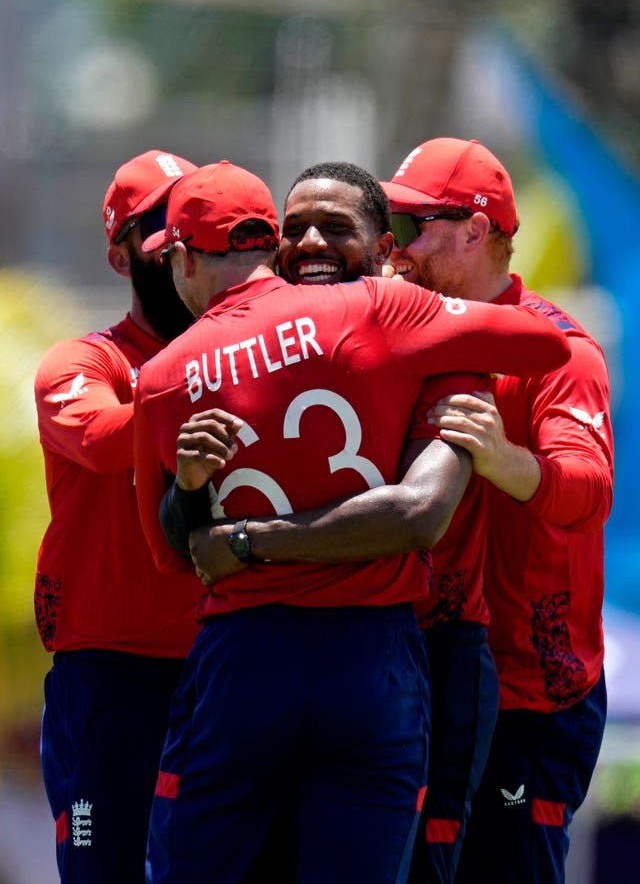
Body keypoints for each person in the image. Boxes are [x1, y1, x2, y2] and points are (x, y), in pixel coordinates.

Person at [133, 159, 571, 884]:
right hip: (371, 661)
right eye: (295, 229)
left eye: (335, 228)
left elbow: (185, 551)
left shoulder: (168, 370)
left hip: (312, 656)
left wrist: (247, 539)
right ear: (269, 245)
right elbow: (543, 343)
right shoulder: (397, 315)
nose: (310, 243)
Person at [381, 137, 613, 884]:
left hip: (530, 696)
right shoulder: (404, 333)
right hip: (429, 675)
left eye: (419, 224)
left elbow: (588, 488)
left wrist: (502, 454)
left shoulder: (559, 350)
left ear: (477, 231)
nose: (400, 245)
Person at [34, 149, 205, 884]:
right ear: (118, 255)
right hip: (109, 681)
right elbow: (107, 442)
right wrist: (216, 390)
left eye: (189, 217)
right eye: (155, 225)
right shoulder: (83, 361)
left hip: (222, 665)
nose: (175, 239)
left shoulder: (244, 355)